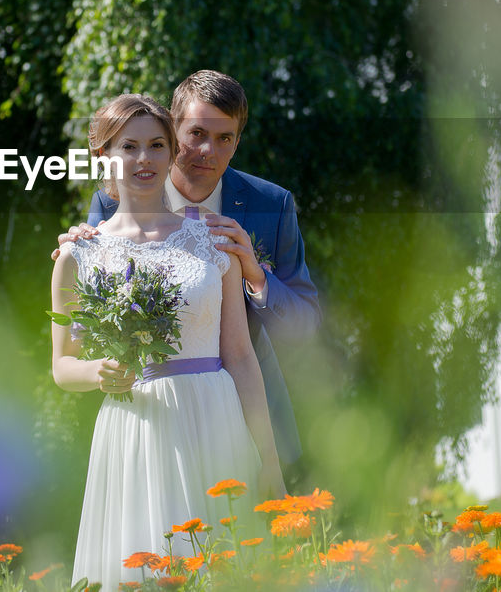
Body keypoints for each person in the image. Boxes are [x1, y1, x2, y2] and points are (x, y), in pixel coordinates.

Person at [50, 93, 285, 592]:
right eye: (129, 146)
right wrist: (98, 373)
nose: (144, 159)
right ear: (104, 156)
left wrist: (270, 462)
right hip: (137, 430)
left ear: (172, 150)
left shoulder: (213, 239)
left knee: (227, 570)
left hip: (217, 421)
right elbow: (62, 367)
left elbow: (241, 358)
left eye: (157, 145)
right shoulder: (78, 255)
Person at [57, 70, 320, 475]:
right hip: (146, 419)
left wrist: (256, 277)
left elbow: (305, 326)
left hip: (253, 412)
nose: (207, 152)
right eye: (196, 134)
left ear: (237, 142)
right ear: (174, 131)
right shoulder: (110, 204)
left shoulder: (273, 204)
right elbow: (88, 323)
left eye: (224, 139)